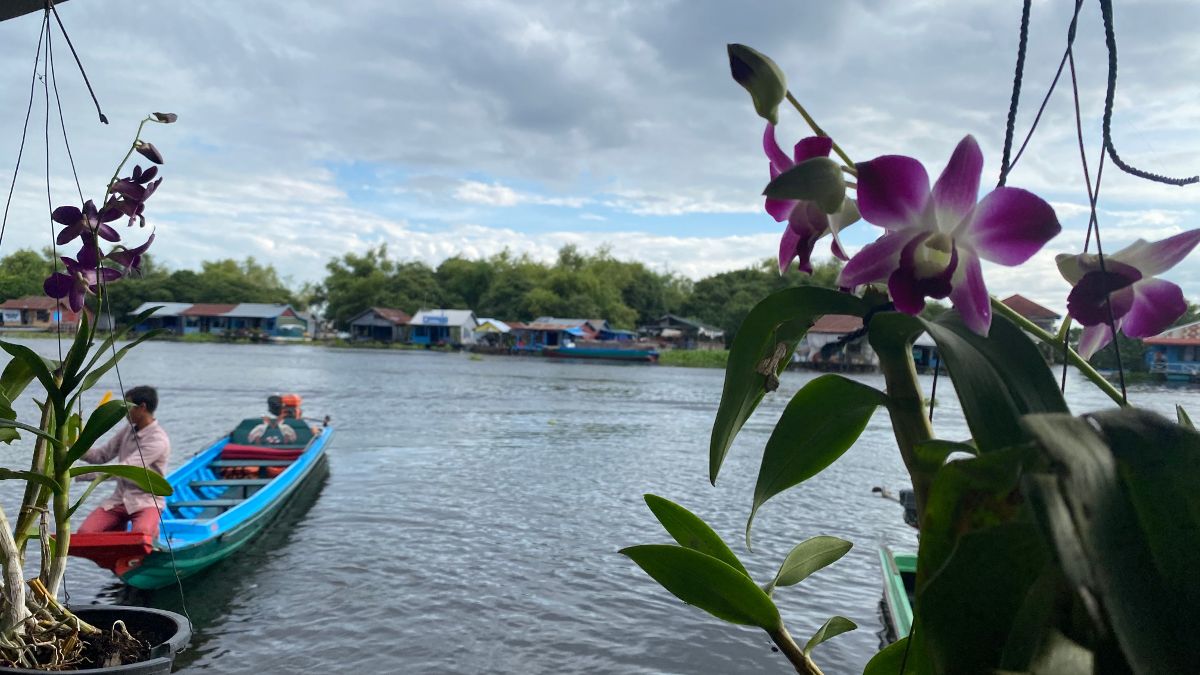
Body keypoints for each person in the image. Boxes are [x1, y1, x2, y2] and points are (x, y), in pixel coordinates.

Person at [77, 386, 171, 537]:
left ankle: (151, 539)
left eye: (128, 406)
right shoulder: (127, 430)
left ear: (142, 407)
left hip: (146, 501)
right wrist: (76, 447)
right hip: (119, 500)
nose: (124, 411)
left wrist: (77, 475)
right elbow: (101, 455)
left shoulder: (158, 441)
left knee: (141, 535)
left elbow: (123, 469)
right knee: (85, 533)